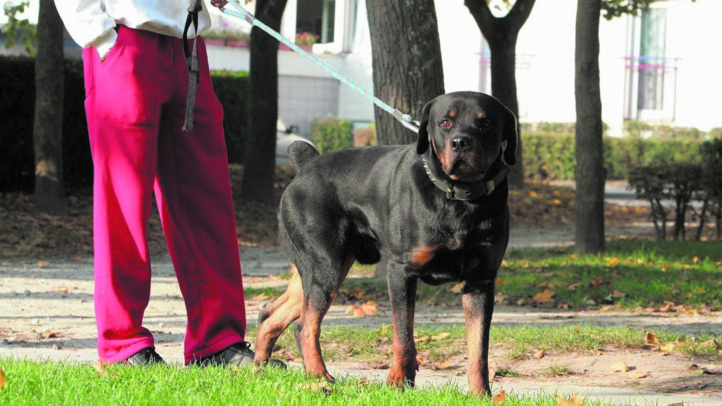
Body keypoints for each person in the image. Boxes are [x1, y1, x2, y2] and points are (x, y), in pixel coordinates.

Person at [54, 0, 282, 367]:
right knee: (123, 202)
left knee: (208, 202)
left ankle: (217, 342)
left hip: (187, 45)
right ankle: (123, 343)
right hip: (124, 42)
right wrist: (98, 34)